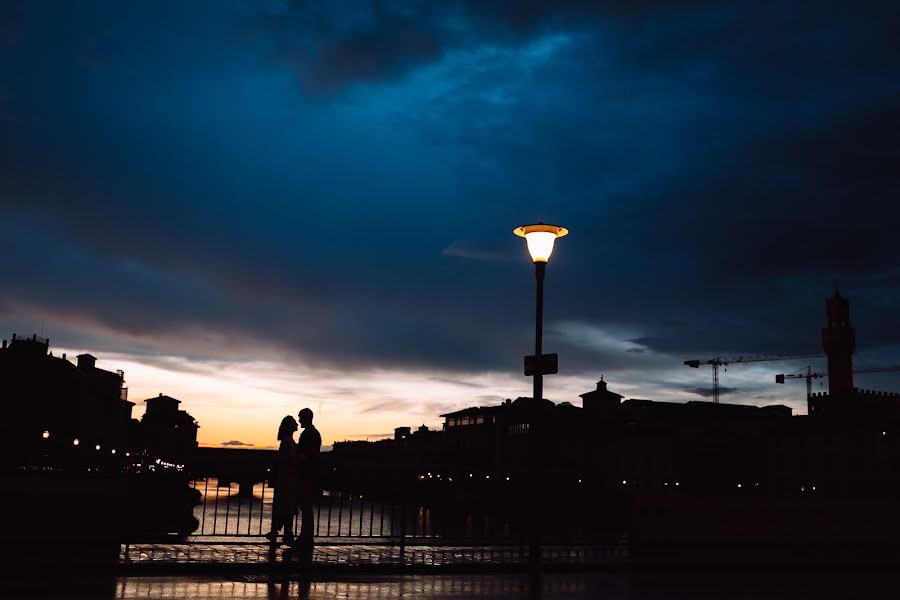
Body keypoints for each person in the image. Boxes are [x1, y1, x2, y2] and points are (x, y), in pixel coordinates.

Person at [266, 416, 298, 549]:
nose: (297, 424)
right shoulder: (288, 441)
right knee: (288, 508)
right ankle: (286, 535)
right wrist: (302, 458)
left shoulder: (286, 441)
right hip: (288, 479)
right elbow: (291, 459)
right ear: (291, 426)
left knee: (284, 508)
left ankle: (277, 533)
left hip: (284, 479)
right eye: (294, 423)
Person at [294, 407, 322, 552]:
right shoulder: (314, 434)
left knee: (306, 507)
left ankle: (306, 538)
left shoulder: (308, 434)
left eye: (300, 417)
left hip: (306, 475)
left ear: (306, 418)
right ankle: (306, 537)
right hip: (310, 475)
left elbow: (308, 455)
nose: (299, 420)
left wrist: (298, 459)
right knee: (306, 508)